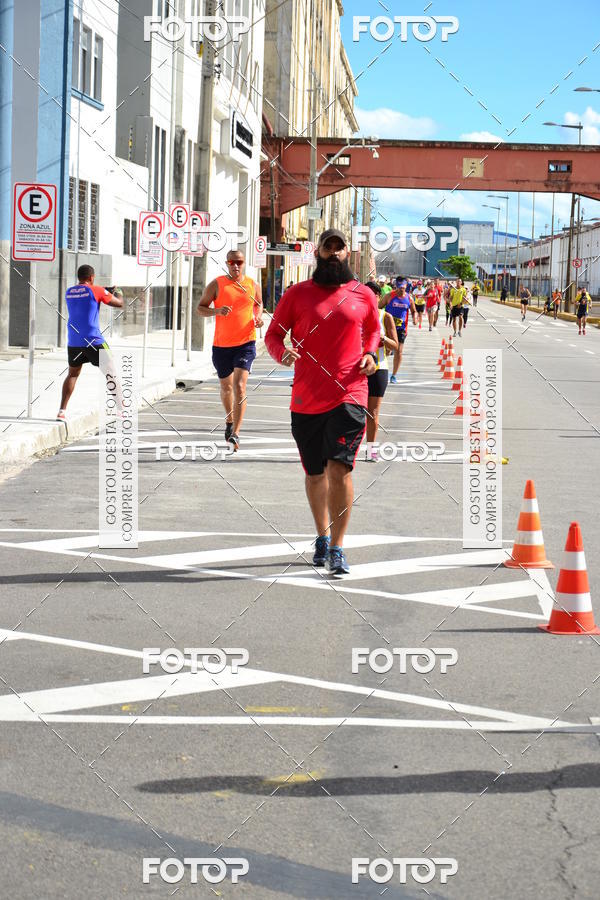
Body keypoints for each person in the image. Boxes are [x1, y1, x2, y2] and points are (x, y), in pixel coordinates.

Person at [264, 228, 380, 577]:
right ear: (318, 253)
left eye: (339, 248)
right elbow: (272, 333)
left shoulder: (362, 295)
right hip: (306, 396)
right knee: (315, 474)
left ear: (348, 253)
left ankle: (339, 547)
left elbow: (373, 330)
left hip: (350, 392)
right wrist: (281, 352)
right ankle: (321, 535)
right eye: (327, 248)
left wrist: (372, 354)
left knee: (339, 468)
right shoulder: (297, 294)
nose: (333, 253)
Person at [197, 248, 263, 451]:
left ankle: (236, 432)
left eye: (240, 262)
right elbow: (200, 307)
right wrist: (216, 311)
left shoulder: (252, 285)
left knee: (240, 386)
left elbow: (258, 304)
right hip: (221, 346)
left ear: (244, 264)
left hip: (246, 343)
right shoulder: (217, 284)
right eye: (232, 262)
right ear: (227, 263)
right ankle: (229, 421)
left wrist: (258, 317)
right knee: (226, 388)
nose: (236, 265)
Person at [57, 266, 124, 420]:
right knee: (111, 374)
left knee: (72, 375)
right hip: (94, 340)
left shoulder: (70, 292)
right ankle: (122, 410)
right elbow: (119, 303)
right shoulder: (97, 291)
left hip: (74, 341)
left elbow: (86, 297)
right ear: (92, 277)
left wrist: (102, 290)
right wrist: (117, 290)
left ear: (79, 276)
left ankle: (62, 411)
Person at [364, 281, 398, 461]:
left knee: (373, 413)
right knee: (351, 412)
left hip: (379, 369)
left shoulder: (385, 316)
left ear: (377, 297)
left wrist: (382, 338)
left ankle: (371, 450)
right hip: (357, 369)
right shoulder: (355, 315)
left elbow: (396, 345)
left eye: (372, 295)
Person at [385, 283, 416, 383]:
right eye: (400, 288)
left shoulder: (409, 298)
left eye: (403, 288)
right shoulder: (389, 296)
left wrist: (415, 318)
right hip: (388, 327)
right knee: (387, 351)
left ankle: (393, 375)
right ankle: (382, 370)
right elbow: (379, 306)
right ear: (396, 288)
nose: (402, 290)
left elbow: (413, 310)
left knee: (399, 351)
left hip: (401, 329)